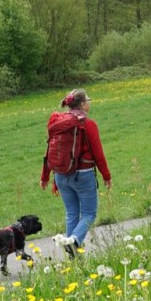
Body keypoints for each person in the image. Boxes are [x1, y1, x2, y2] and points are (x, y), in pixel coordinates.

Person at [40, 88, 112, 258]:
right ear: (82, 104)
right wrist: (106, 175)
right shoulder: (87, 124)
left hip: (61, 175)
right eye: (88, 100)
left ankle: (73, 255)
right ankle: (75, 241)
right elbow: (98, 153)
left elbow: (50, 150)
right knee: (89, 213)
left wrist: (46, 176)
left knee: (72, 213)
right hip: (83, 175)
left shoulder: (57, 122)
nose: (89, 102)